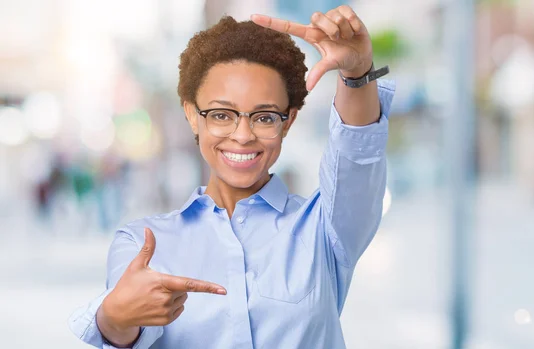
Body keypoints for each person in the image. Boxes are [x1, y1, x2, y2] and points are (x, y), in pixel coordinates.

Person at [69, 5, 395, 349]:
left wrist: (358, 74)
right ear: (193, 116)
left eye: (265, 117)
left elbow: (357, 156)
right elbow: (126, 329)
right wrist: (113, 319)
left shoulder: (324, 230)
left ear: (289, 121)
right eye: (221, 115)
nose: (242, 135)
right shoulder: (142, 244)